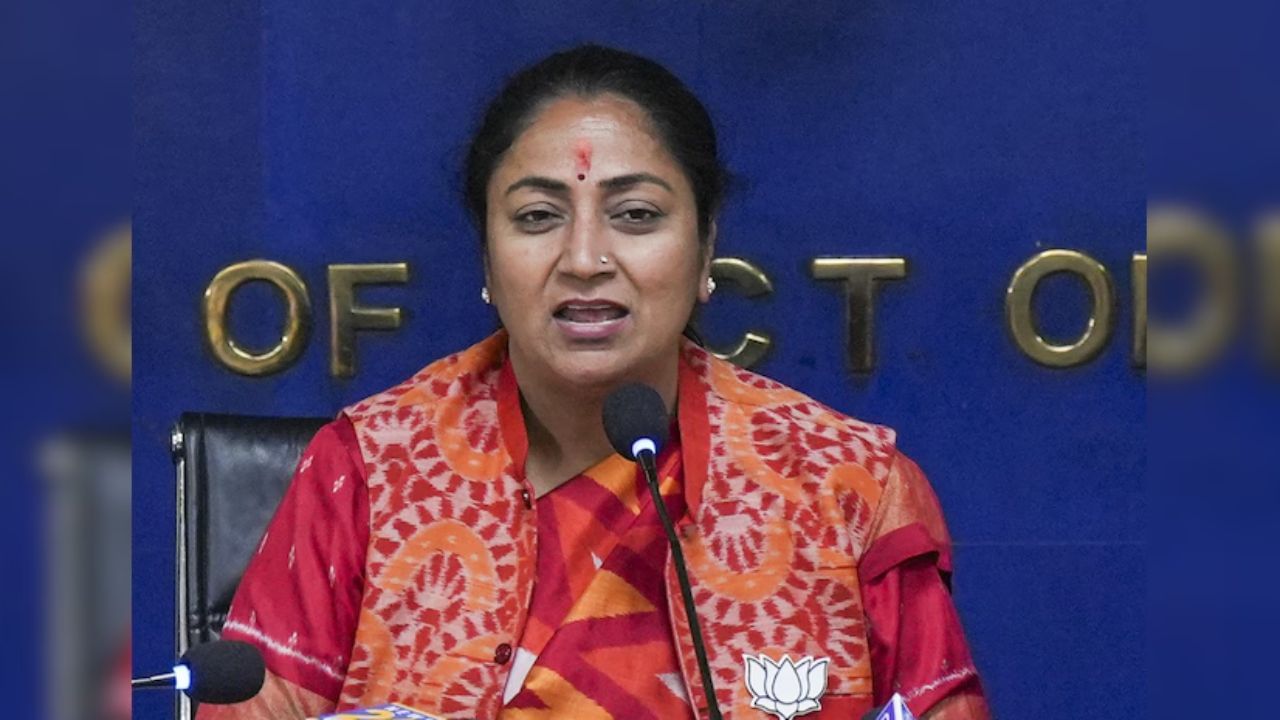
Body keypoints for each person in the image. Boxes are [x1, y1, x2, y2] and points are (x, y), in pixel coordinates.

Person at [200, 45, 990, 720]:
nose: (584, 259)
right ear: (486, 259)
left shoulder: (848, 491)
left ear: (706, 246)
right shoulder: (368, 473)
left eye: (636, 215)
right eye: (538, 217)